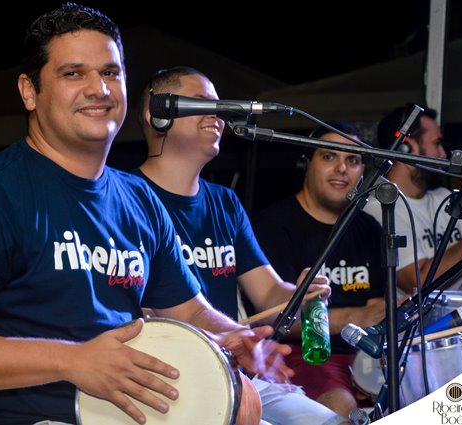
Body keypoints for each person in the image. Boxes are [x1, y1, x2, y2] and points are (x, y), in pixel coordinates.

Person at [0, 4, 288, 425]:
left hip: (131, 410)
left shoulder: (140, 199)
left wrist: (233, 335)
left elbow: (191, 312)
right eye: (73, 73)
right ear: (29, 91)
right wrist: (72, 361)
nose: (99, 89)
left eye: (110, 72)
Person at [133, 66, 347, 425]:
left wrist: (300, 295)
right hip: (174, 379)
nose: (218, 114)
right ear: (158, 113)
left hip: (235, 371)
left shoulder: (225, 203)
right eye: (202, 103)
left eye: (219, 106)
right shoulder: (126, 197)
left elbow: (268, 294)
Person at [252, 121, 386, 417]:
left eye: (353, 160)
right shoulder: (272, 226)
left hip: (368, 356)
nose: (342, 169)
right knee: (341, 407)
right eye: (329, 156)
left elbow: (379, 307)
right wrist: (357, 317)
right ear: (306, 164)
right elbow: (276, 321)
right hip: (305, 357)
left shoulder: (369, 228)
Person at [363, 104, 462, 295]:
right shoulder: (379, 209)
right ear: (407, 147)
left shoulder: (444, 196)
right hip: (421, 315)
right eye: (437, 144)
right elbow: (418, 282)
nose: (443, 154)